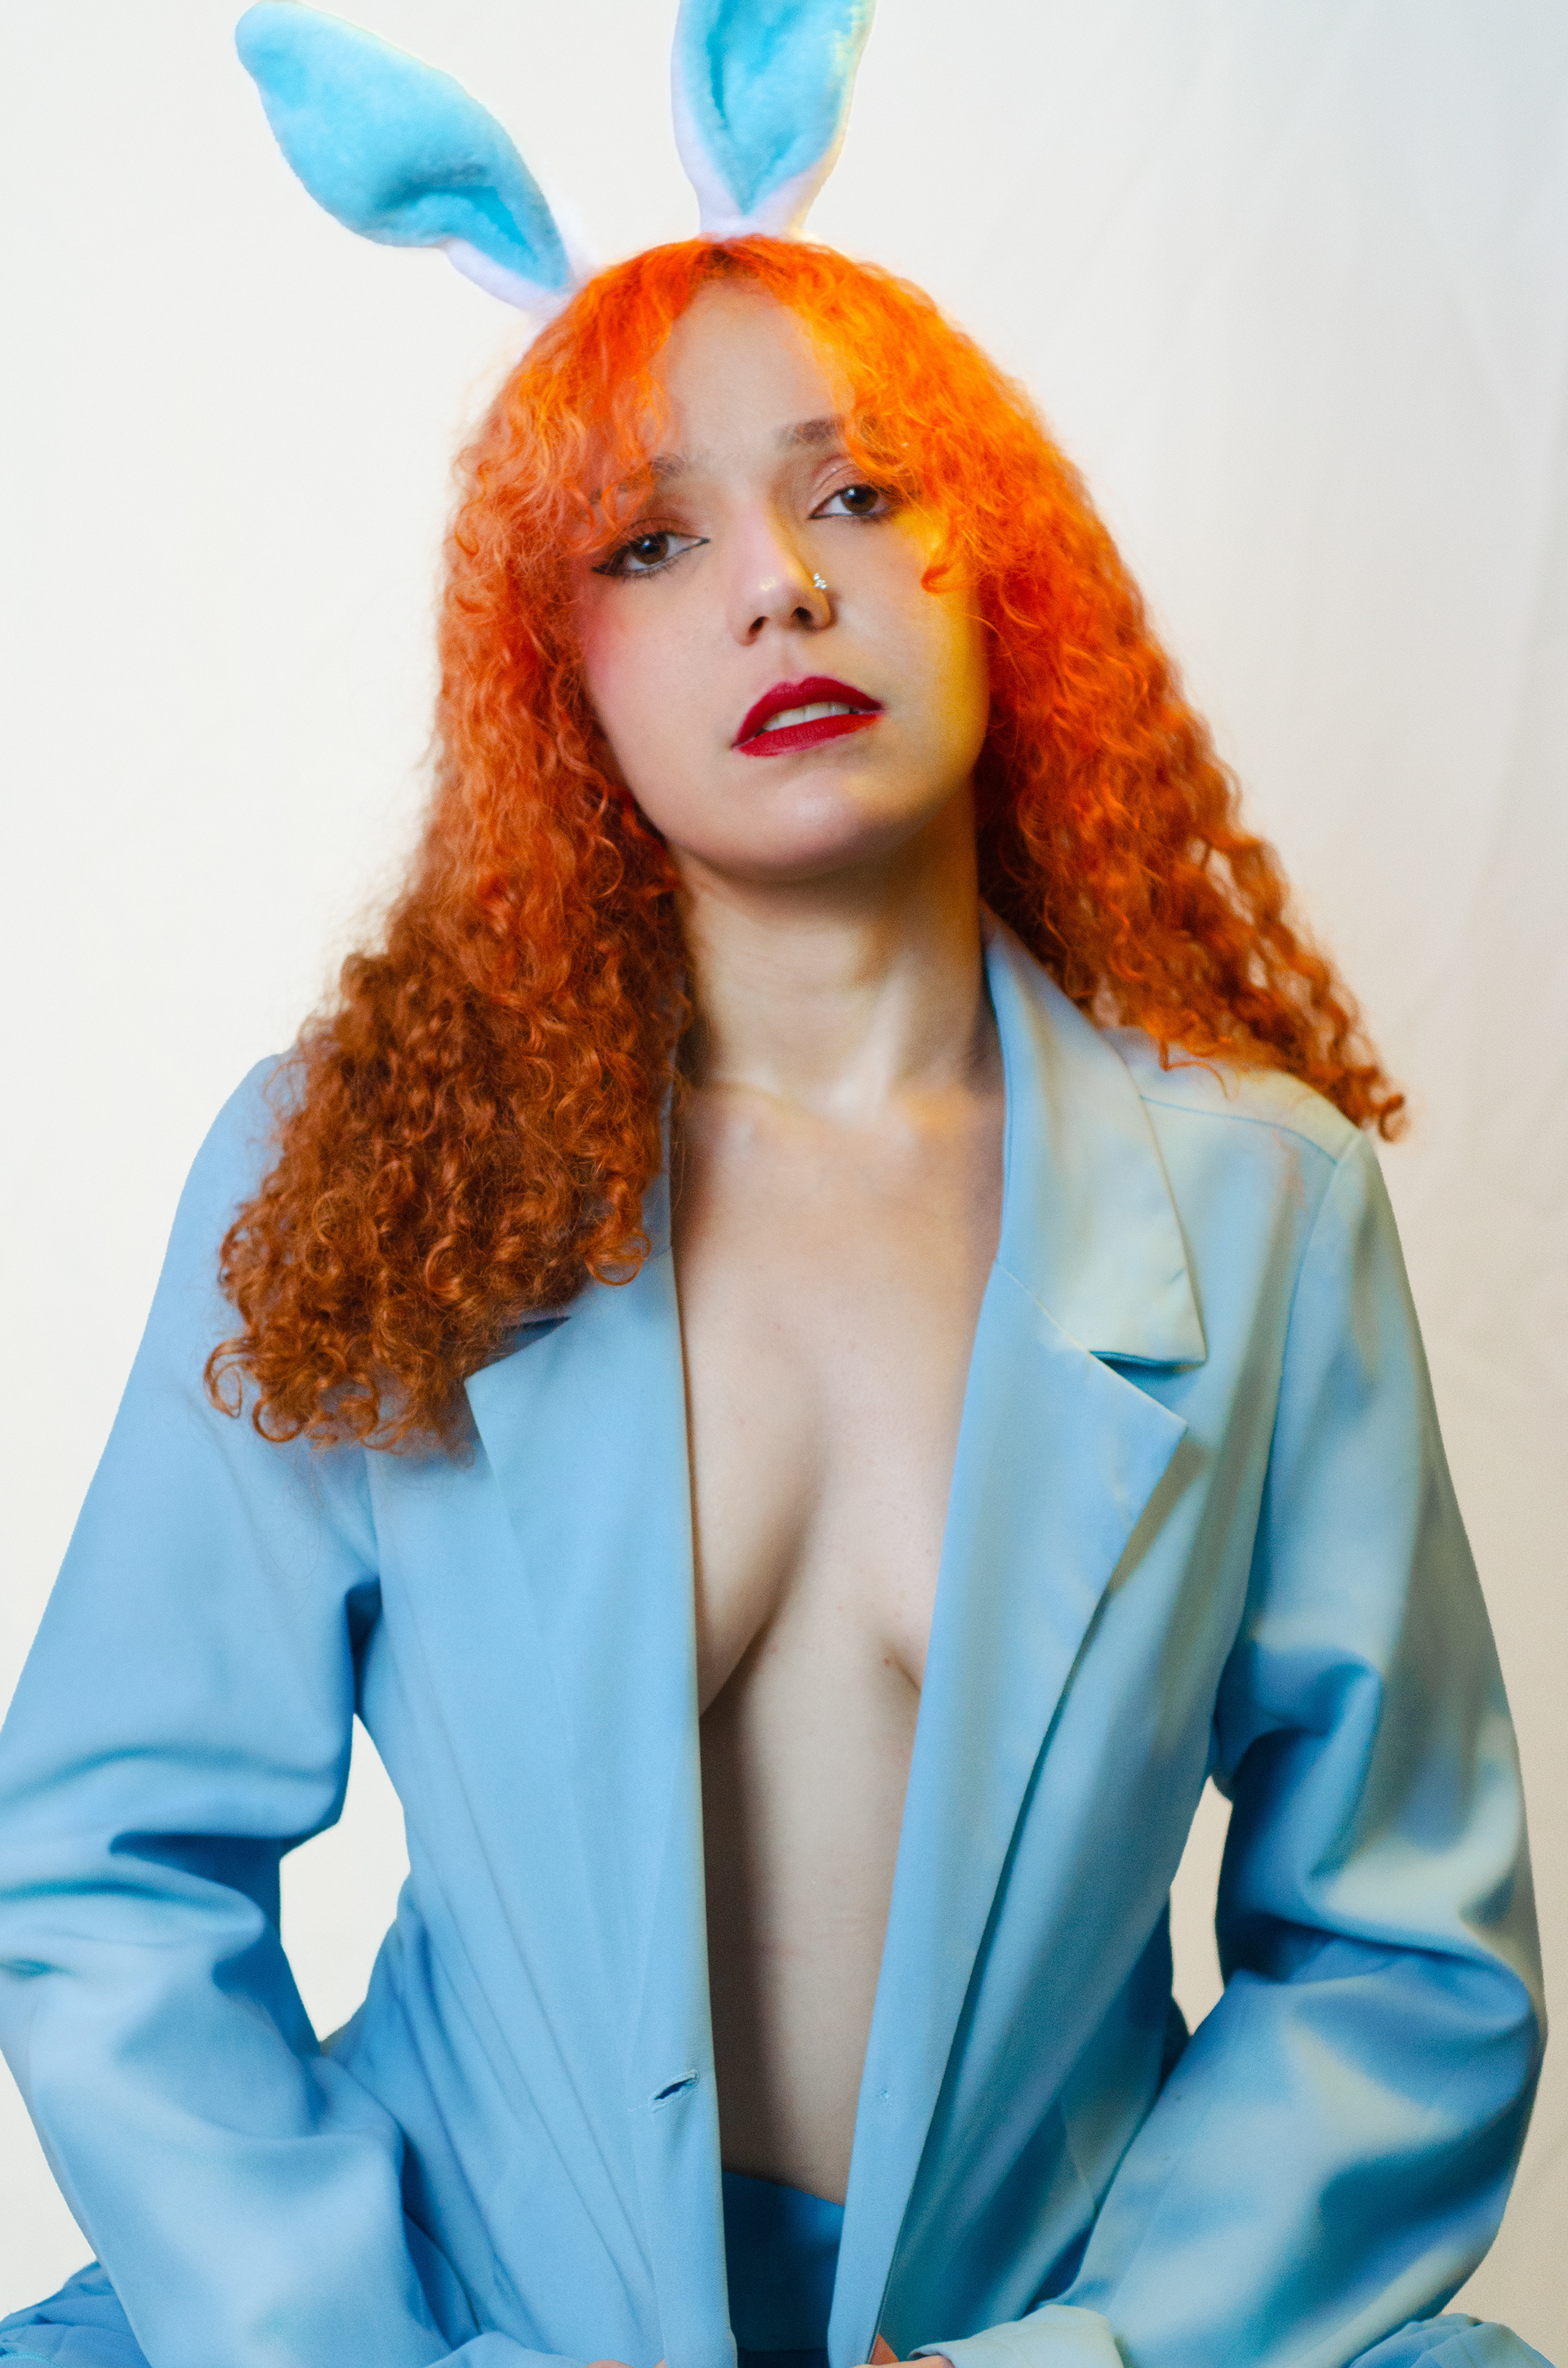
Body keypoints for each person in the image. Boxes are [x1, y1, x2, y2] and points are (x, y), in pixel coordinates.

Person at [0, 4, 1552, 2361]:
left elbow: (1404, 1951)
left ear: (998, 568)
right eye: (654, 537)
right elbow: (106, 1873)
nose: (779, 586)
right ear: (560, 678)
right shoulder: (356, 1171)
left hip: (1057, 2328)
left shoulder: (1264, 1209)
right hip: (451, 2323)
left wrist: (1108, 2354)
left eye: (856, 493)